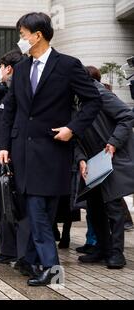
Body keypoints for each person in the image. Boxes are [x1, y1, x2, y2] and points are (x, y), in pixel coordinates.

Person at [0, 12, 102, 286]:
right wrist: (3, 145)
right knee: (33, 210)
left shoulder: (67, 65)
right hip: (22, 152)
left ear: (37, 34)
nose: (20, 40)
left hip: (53, 151)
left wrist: (73, 128)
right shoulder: (20, 69)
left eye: (22, 35)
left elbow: (92, 101)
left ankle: (51, 268)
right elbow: (11, 110)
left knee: (39, 211)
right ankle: (34, 262)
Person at [75, 66, 134, 269]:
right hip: (91, 162)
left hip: (110, 157)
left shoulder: (100, 94)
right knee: (94, 208)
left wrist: (114, 142)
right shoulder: (73, 101)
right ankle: (102, 248)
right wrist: (81, 158)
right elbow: (74, 135)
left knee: (113, 207)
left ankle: (117, 253)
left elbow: (127, 116)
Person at [0, 49, 33, 267]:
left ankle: (21, 255)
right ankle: (9, 250)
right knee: (2, 208)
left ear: (9, 69)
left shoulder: (23, 94)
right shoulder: (7, 92)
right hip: (1, 160)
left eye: (1, 67)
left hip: (11, 162)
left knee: (14, 209)